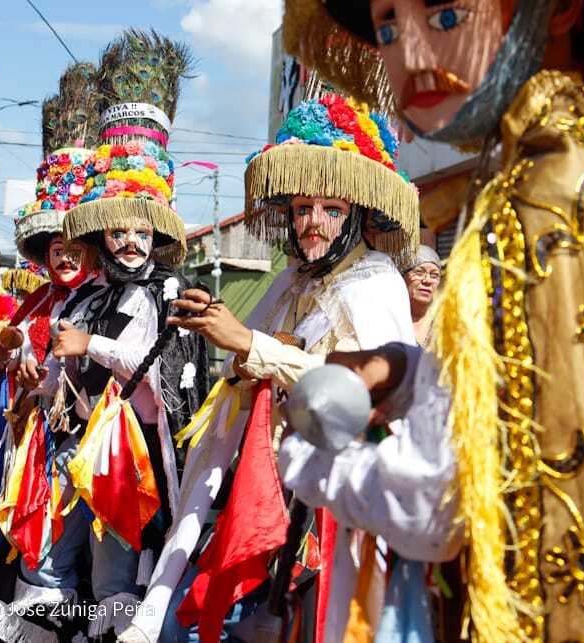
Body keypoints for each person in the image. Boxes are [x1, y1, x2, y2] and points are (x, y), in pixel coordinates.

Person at [284, 0, 584, 640]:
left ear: (562, 9)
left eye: (447, 17)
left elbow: (434, 507)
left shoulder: (537, 191)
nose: (413, 57)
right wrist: (408, 370)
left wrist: (304, 455)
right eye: (387, 27)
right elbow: (544, 391)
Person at [119, 93, 423, 643]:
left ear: (359, 215)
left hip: (328, 505)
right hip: (260, 487)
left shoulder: (376, 280)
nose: (312, 223)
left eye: (331, 210)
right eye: (302, 208)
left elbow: (366, 398)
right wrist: (223, 330)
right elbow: (246, 360)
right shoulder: (290, 281)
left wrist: (251, 345)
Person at [47, 30, 207, 641]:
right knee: (75, 567)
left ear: (158, 232)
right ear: (102, 236)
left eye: (142, 231)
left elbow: (154, 376)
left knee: (123, 574)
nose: (131, 242)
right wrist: (44, 389)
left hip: (138, 458)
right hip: (82, 449)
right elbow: (62, 371)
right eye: (119, 231)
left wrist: (93, 347)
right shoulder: (89, 293)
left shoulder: (168, 291)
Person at [0, 62, 107, 642]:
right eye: (54, 247)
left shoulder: (109, 294)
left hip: (96, 443)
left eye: (75, 246)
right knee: (41, 548)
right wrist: (13, 342)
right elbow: (15, 341)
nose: (64, 256)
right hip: (37, 439)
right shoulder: (44, 296)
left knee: (79, 559)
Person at [402, 244, 442, 347]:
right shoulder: (392, 321)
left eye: (434, 275)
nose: (427, 280)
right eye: (419, 273)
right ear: (403, 278)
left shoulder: (444, 324)